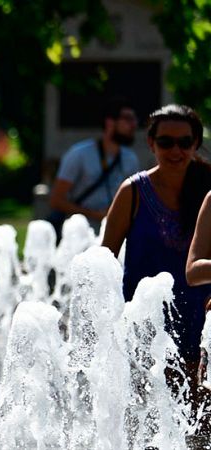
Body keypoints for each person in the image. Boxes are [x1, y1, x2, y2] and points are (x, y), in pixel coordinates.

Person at [102, 104, 211, 410]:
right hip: (147, 327)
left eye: (184, 142)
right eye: (165, 142)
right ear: (151, 143)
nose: (175, 150)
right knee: (151, 417)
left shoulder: (209, 188)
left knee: (198, 422)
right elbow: (105, 261)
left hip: (199, 319)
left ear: (196, 144)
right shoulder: (133, 192)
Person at [50, 97, 140, 232]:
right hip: (80, 234)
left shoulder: (131, 159)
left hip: (114, 233)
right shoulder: (78, 154)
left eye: (134, 119)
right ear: (110, 122)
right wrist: (95, 215)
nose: (134, 124)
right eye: (128, 119)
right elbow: (56, 200)